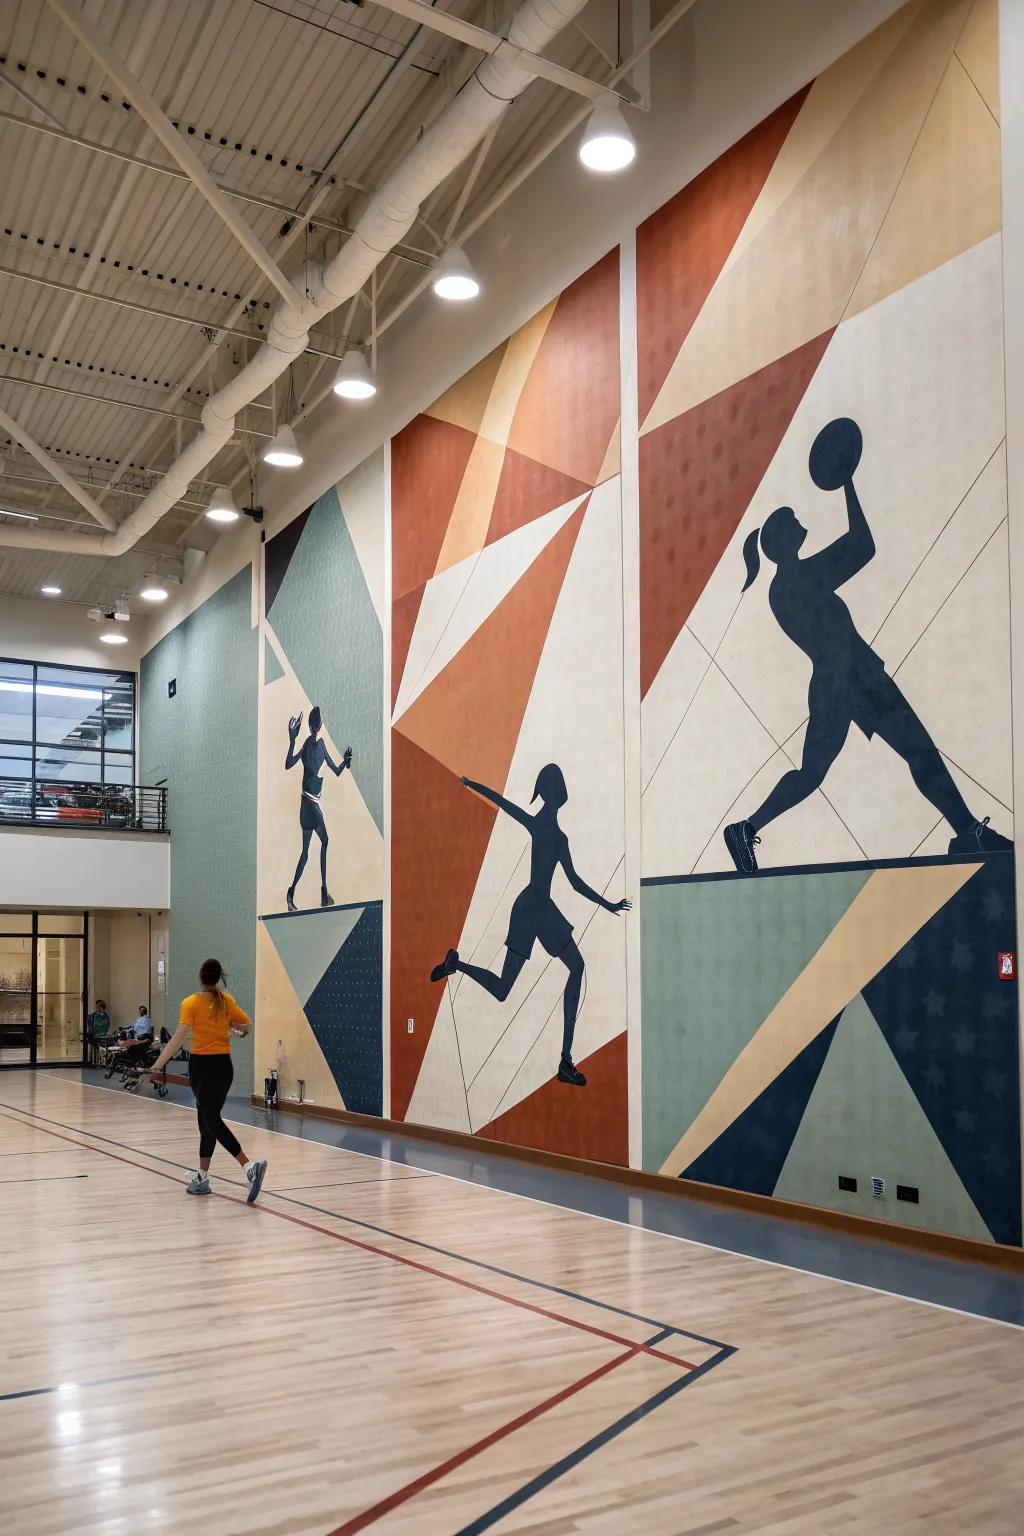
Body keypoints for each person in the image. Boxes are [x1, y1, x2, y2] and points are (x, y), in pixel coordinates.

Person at [723, 418, 1012, 875]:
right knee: (909, 753)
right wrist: (847, 483)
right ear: (780, 542)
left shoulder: (789, 585)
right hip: (850, 682)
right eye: (794, 523)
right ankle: (968, 831)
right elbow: (862, 546)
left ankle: (966, 829)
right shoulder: (796, 580)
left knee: (846, 766)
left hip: (844, 681)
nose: (802, 525)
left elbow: (860, 550)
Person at [430, 765, 631, 1086]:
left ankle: (565, 1060)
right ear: (556, 793)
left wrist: (608, 904)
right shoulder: (544, 828)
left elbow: (576, 883)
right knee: (503, 991)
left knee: (575, 967)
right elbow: (503, 803)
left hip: (540, 910)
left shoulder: (551, 833)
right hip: (529, 911)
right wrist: (471, 784)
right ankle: (457, 965)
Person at [147, 959, 268, 1201]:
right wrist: (233, 1028)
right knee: (205, 1119)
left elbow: (178, 1039)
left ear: (201, 977)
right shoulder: (227, 1001)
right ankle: (202, 1176)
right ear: (217, 977)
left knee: (210, 1118)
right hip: (224, 1067)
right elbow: (246, 1026)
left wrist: (157, 1065)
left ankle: (249, 1167)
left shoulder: (190, 1003)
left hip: (202, 1067)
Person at [284, 705, 352, 911]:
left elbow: (288, 763)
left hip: (303, 808)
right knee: (325, 840)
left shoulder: (305, 744)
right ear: (320, 725)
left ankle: (291, 892)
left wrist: (292, 739)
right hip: (312, 805)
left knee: (305, 853)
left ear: (309, 725)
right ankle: (324, 892)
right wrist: (347, 761)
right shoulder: (321, 746)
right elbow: (338, 771)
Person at [85, 999, 110, 1067]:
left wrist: (104, 1032)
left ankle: (102, 1063)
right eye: (98, 1006)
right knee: (95, 1049)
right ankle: (94, 1063)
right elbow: (90, 1025)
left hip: (103, 1036)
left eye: (100, 1006)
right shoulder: (92, 1016)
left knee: (102, 1049)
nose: (99, 1007)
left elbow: (107, 1025)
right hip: (95, 1035)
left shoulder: (106, 1016)